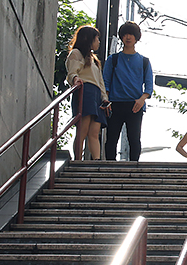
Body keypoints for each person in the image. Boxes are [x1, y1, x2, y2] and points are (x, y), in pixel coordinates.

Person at [102, 21, 153, 161]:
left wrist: (142, 99)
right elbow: (105, 81)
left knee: (134, 139)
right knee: (111, 138)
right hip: (115, 103)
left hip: (135, 104)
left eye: (131, 34)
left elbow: (149, 85)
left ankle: (134, 168)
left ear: (137, 37)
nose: (128, 37)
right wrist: (106, 100)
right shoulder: (113, 59)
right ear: (121, 37)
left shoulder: (144, 61)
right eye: (125, 34)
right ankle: (110, 167)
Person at [65, 25, 110, 161]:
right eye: (96, 39)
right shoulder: (77, 53)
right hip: (85, 91)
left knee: (94, 132)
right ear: (88, 39)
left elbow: (100, 82)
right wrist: (75, 79)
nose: (98, 42)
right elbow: (72, 72)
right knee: (83, 130)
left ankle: (96, 160)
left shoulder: (94, 60)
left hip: (96, 95)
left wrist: (105, 98)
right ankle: (77, 160)